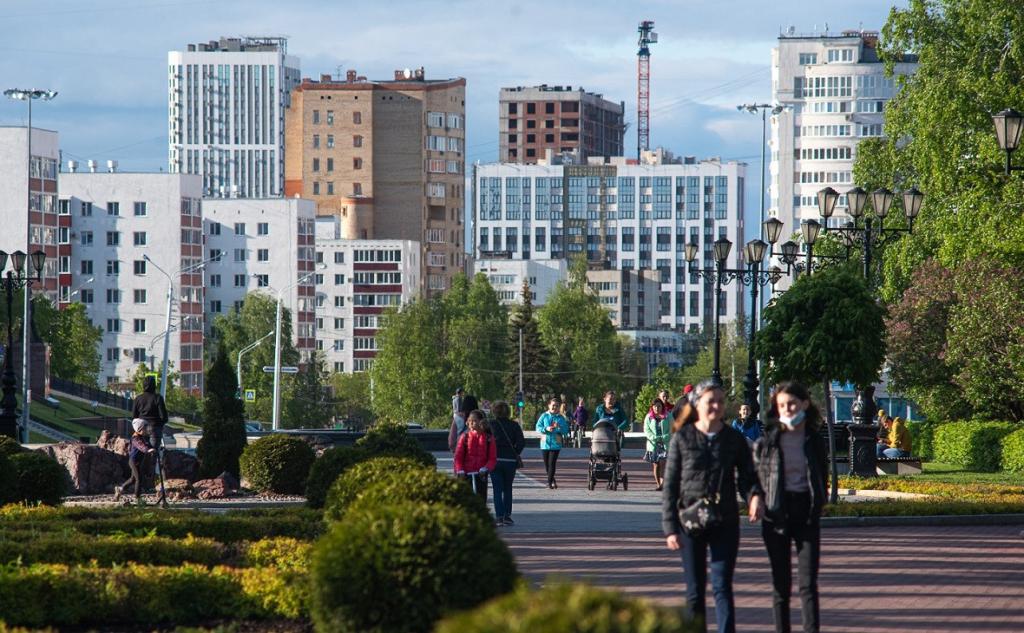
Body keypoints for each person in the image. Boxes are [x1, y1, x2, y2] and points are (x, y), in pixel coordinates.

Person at [662, 380, 763, 633]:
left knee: (722, 587)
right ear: (697, 404)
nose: (716, 406)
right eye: (710, 401)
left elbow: (748, 477)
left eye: (720, 400)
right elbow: (671, 485)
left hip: (724, 520)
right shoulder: (682, 438)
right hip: (690, 522)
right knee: (695, 590)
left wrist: (754, 496)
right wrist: (670, 527)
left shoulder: (733, 439)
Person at [753, 381, 829, 633]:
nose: (787, 409)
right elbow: (757, 478)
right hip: (777, 514)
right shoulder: (768, 441)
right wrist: (756, 499)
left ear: (804, 404)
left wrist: (820, 501)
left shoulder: (813, 439)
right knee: (781, 584)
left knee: (808, 583)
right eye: (782, 405)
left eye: (792, 404)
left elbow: (821, 473)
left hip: (806, 513)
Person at [490, 401, 525, 527]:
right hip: (510, 461)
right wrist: (514, 452)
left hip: (495, 460)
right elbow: (521, 443)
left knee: (497, 489)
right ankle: (507, 516)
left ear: (494, 411)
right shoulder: (514, 425)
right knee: (508, 488)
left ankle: (499, 517)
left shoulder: (491, 425)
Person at [454, 409, 497, 504]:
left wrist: (485, 468)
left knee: (480, 501)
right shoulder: (464, 437)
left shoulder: (489, 438)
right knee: (465, 502)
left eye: (474, 421)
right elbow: (458, 457)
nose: (471, 423)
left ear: (481, 422)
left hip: (480, 475)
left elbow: (492, 458)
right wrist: (460, 470)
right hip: (465, 475)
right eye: (469, 421)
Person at [132, 374, 168, 482]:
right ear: (154, 385)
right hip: (154, 429)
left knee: (141, 455)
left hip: (141, 429)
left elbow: (134, 416)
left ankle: (138, 480)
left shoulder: (138, 398)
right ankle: (150, 481)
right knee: (152, 456)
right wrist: (159, 425)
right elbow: (164, 417)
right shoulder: (158, 398)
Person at [114, 418, 155, 505]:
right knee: (139, 479)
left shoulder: (142, 437)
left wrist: (152, 448)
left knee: (133, 479)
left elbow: (147, 444)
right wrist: (147, 450)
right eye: (145, 428)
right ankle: (137, 498)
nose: (146, 430)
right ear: (139, 429)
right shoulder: (135, 438)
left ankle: (120, 489)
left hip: (138, 461)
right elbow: (141, 446)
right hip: (133, 461)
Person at [535, 397, 568, 489]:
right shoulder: (544, 416)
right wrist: (546, 429)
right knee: (547, 465)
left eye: (557, 406)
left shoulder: (561, 418)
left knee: (552, 463)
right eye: (553, 405)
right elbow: (538, 427)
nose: (555, 407)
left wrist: (559, 428)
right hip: (544, 444)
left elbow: (566, 430)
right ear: (549, 406)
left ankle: (549, 483)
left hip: (556, 444)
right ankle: (552, 480)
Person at [643, 398, 670, 490]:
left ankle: (663, 484)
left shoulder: (668, 416)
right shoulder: (649, 417)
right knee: (656, 464)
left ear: (662, 407)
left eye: (659, 406)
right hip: (653, 444)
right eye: (655, 406)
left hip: (665, 444)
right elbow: (647, 430)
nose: (657, 408)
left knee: (663, 463)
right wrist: (654, 438)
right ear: (652, 407)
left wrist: (665, 437)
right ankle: (658, 484)